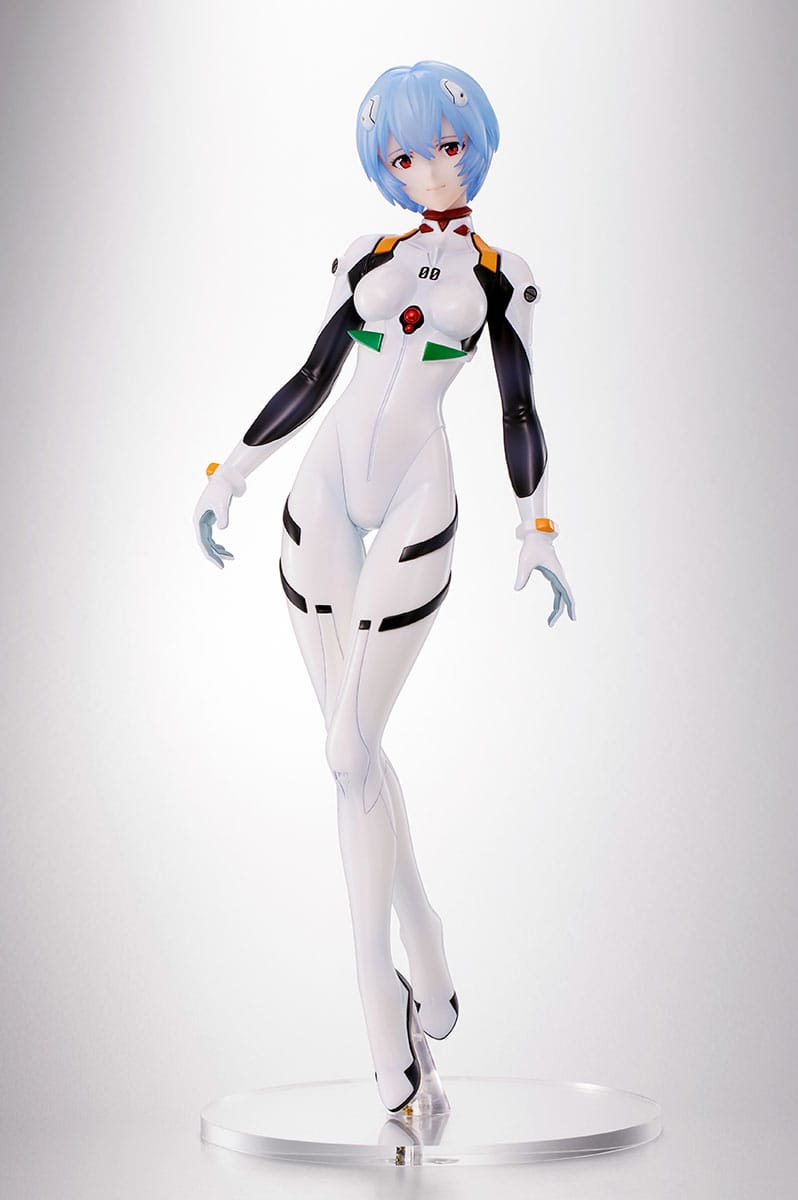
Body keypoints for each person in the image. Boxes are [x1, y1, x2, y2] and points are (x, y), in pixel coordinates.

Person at [193, 60, 575, 1113]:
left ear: (475, 145)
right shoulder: (362, 254)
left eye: (445, 147)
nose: (429, 169)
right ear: (384, 165)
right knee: (351, 757)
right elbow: (314, 374)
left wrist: (536, 524)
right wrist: (229, 471)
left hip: (418, 496)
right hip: (320, 492)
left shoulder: (502, 275)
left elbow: (516, 403)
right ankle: (426, 952)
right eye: (405, 155)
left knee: (346, 751)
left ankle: (384, 1001)